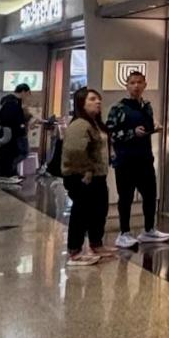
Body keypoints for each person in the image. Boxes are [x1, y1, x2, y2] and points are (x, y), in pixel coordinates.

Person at [106, 71, 169, 247]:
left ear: (145, 85)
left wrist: (154, 127)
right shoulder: (118, 108)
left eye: (139, 82)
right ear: (126, 85)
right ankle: (124, 232)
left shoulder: (146, 106)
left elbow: (147, 127)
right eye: (132, 82)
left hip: (144, 158)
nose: (136, 86)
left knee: (150, 194)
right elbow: (110, 133)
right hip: (125, 160)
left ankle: (149, 229)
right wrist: (131, 133)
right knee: (125, 197)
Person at [62, 87, 113, 266]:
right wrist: (87, 169)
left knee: (98, 210)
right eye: (92, 99)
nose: (97, 102)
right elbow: (74, 151)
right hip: (82, 176)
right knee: (81, 212)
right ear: (81, 103)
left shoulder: (95, 123)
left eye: (98, 99)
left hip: (98, 175)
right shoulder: (80, 124)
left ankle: (96, 243)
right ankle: (75, 251)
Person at [0, 83, 31, 186]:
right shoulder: (11, 103)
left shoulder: (12, 102)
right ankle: (6, 175)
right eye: (27, 94)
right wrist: (21, 128)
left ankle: (9, 174)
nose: (27, 97)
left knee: (11, 153)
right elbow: (12, 120)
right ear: (23, 91)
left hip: (9, 134)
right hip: (11, 134)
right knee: (10, 154)